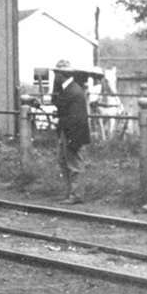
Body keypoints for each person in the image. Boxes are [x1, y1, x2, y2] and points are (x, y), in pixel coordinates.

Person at [52, 59, 92, 205]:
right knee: (63, 161)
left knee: (75, 164)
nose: (55, 76)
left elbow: (74, 117)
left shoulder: (73, 91)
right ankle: (70, 193)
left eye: (56, 73)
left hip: (74, 133)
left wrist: (59, 122)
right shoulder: (68, 89)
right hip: (67, 132)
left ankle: (76, 195)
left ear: (62, 74)